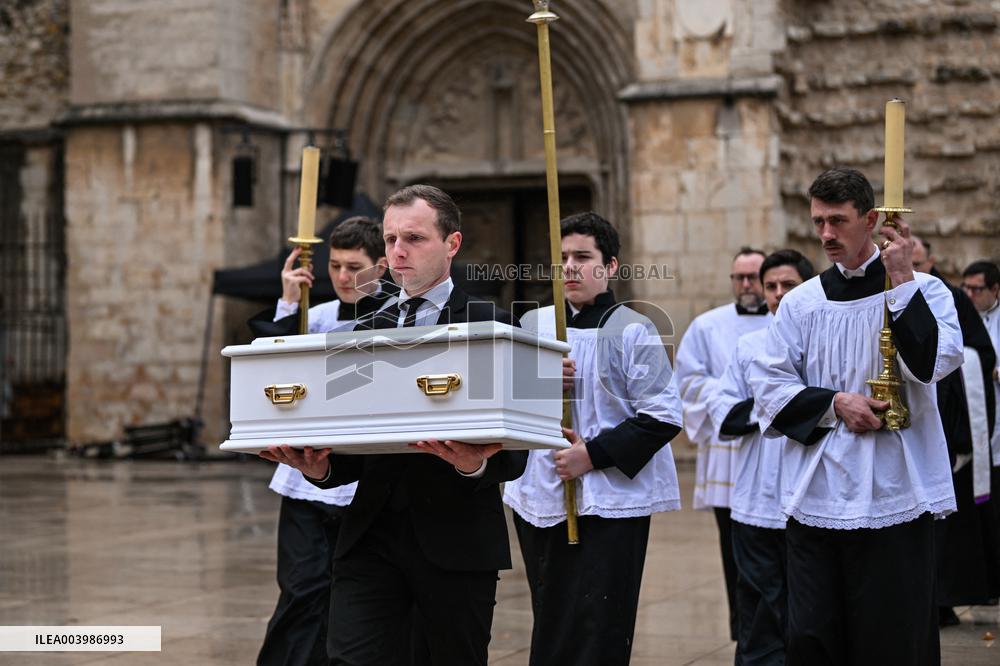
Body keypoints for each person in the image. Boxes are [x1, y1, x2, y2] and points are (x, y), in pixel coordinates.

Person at [260, 184, 526, 666]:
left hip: (456, 541)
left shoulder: (494, 325)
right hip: (369, 540)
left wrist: (471, 465)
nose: (398, 252)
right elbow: (347, 449)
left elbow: (517, 452)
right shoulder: (362, 331)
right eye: (389, 239)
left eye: (414, 238)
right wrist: (317, 467)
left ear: (453, 244)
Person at [748, 167, 963, 665]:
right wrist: (833, 403)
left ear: (870, 220)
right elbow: (768, 386)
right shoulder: (801, 303)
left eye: (837, 221)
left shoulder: (926, 291)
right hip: (817, 492)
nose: (825, 234)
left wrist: (903, 279)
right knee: (812, 636)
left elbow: (932, 365)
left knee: (893, 636)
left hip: (895, 489)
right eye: (818, 221)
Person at [502, 212, 683, 666]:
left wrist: (592, 455)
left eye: (583, 257)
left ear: (610, 267)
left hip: (609, 501)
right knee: (552, 615)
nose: (569, 267)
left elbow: (663, 415)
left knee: (598, 622)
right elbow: (502, 406)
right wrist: (540, 385)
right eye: (562, 257)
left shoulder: (632, 330)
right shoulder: (531, 326)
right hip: (542, 495)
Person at [249, 217, 391, 666]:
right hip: (306, 484)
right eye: (335, 266)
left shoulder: (397, 318)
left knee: (353, 602)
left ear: (381, 266)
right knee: (301, 590)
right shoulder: (314, 316)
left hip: (363, 482)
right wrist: (289, 303)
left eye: (355, 267)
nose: (344, 278)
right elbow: (271, 370)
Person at [709, 249, 814, 666]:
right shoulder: (749, 345)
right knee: (759, 607)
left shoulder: (824, 337)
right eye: (771, 286)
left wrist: (787, 404)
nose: (777, 294)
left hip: (810, 495)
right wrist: (782, 405)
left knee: (806, 606)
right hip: (756, 498)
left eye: (788, 285)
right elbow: (724, 412)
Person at [675, 247, 771, 641]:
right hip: (727, 455)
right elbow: (688, 382)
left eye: (754, 277)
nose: (746, 284)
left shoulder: (789, 320)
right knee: (734, 549)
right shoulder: (707, 326)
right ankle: (742, 629)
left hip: (774, 450)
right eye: (739, 277)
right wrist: (733, 396)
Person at [911, 239, 999, 625]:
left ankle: (942, 599)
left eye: (915, 260)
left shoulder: (943, 295)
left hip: (948, 425)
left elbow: (975, 351)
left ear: (930, 262)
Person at [962, 260, 1000, 466]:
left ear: (995, 289)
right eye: (965, 288)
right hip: (970, 420)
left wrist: (994, 373)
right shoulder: (960, 318)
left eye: (976, 289)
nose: (969, 295)